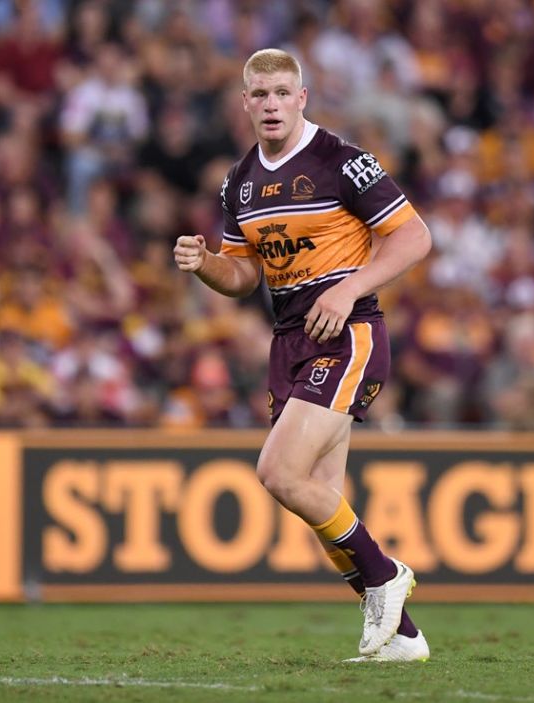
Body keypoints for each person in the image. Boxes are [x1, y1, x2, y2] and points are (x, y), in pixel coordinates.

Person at [173, 48, 432, 662]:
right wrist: (206, 263)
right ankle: (404, 638)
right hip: (289, 339)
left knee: (277, 472)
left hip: (349, 333)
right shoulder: (240, 181)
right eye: (259, 95)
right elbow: (242, 276)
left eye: (281, 93)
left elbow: (415, 237)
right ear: (245, 102)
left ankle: (386, 575)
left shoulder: (342, 161)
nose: (270, 105)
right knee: (319, 496)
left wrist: (349, 287)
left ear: (301, 98)